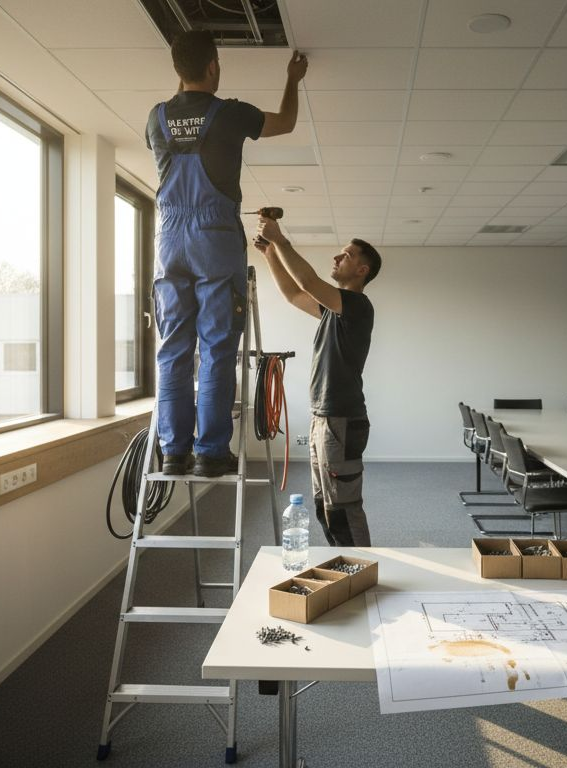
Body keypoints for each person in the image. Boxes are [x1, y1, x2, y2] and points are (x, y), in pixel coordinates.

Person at [145, 32, 307, 477]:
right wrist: (293, 79)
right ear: (214, 66)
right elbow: (287, 122)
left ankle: (174, 450)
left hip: (169, 240)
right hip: (214, 238)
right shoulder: (231, 114)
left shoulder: (156, 119)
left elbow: (180, 130)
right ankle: (210, 451)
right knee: (216, 348)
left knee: (173, 349)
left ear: (178, 71)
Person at [255, 215, 381, 547]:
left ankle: (360, 568)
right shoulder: (332, 311)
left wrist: (281, 241)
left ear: (361, 271)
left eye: (347, 255)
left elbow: (308, 282)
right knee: (325, 505)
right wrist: (270, 254)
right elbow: (294, 295)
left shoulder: (357, 306)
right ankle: (343, 566)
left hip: (342, 419)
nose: (337, 258)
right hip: (323, 418)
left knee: (343, 505)